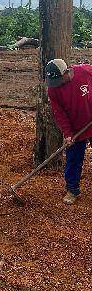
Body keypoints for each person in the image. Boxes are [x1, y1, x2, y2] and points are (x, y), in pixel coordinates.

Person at [46, 58, 92, 203]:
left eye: (60, 79)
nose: (56, 84)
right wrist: (67, 134)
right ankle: (73, 190)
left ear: (67, 71)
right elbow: (59, 113)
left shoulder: (84, 71)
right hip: (75, 128)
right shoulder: (53, 89)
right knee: (73, 159)